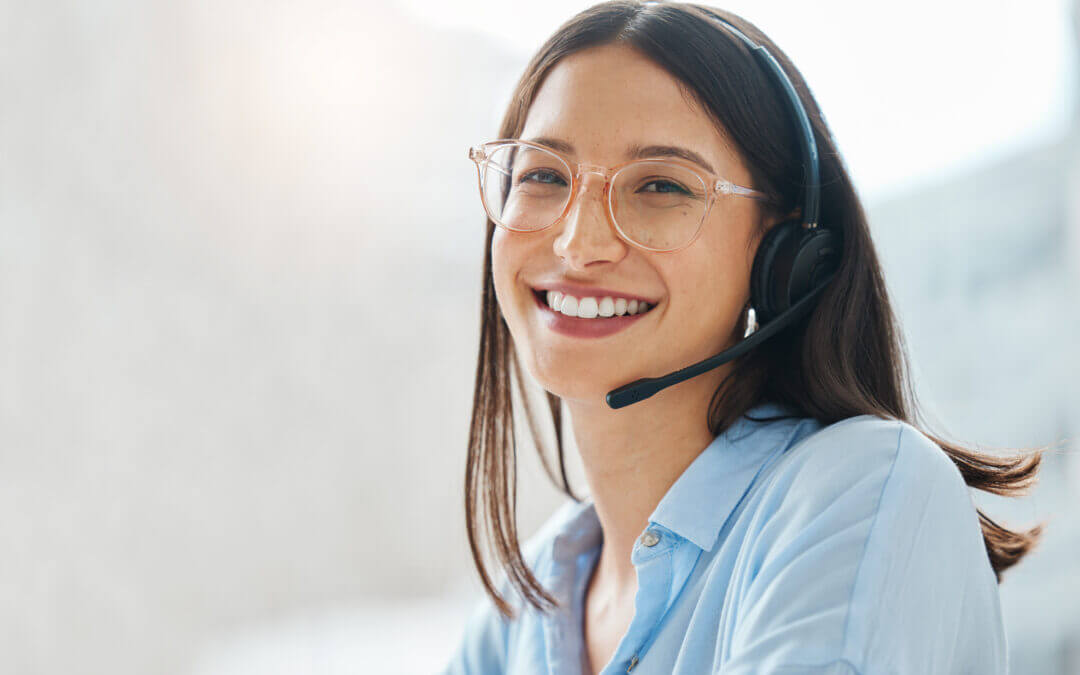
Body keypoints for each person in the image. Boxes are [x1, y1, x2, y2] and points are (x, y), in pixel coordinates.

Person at [443, 2, 1044, 673]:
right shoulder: (515, 618)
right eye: (544, 176)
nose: (579, 241)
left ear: (783, 251)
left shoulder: (863, 491)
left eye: (662, 185)